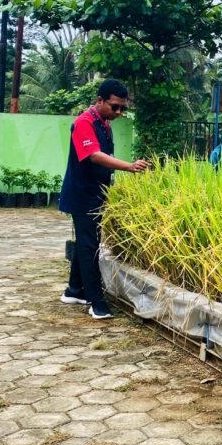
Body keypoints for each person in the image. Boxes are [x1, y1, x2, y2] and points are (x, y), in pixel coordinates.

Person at [59, 79, 149, 320]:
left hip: (96, 192)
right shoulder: (83, 123)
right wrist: (129, 167)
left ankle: (74, 290)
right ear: (100, 101)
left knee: (87, 241)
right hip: (82, 194)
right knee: (89, 246)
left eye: (122, 108)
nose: (118, 112)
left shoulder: (104, 123)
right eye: (114, 106)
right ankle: (95, 301)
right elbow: (94, 155)